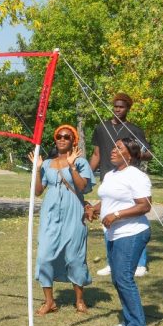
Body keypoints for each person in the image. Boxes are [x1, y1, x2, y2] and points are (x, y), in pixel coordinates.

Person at [85, 138, 152, 326]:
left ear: (129, 155)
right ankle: (129, 320)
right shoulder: (111, 174)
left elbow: (145, 206)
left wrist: (116, 215)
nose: (113, 150)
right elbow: (108, 198)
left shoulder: (137, 176)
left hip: (132, 232)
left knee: (124, 277)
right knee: (117, 278)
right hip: (114, 233)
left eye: (118, 148)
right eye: (113, 147)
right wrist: (95, 208)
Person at [32, 125, 94, 315]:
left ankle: (80, 301)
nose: (62, 139)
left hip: (73, 211)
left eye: (67, 137)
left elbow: (83, 187)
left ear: (73, 141)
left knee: (75, 256)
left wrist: (72, 165)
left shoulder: (81, 162)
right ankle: (49, 301)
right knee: (43, 256)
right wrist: (37, 169)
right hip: (50, 214)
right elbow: (38, 191)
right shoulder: (48, 163)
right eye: (59, 136)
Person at [89, 93, 152, 277]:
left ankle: (140, 263)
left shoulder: (134, 129)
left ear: (128, 109)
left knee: (132, 218)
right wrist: (87, 175)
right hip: (109, 177)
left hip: (128, 178)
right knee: (107, 218)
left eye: (122, 107)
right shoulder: (101, 128)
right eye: (115, 106)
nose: (117, 109)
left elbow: (148, 153)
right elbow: (96, 154)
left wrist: (136, 154)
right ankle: (112, 261)